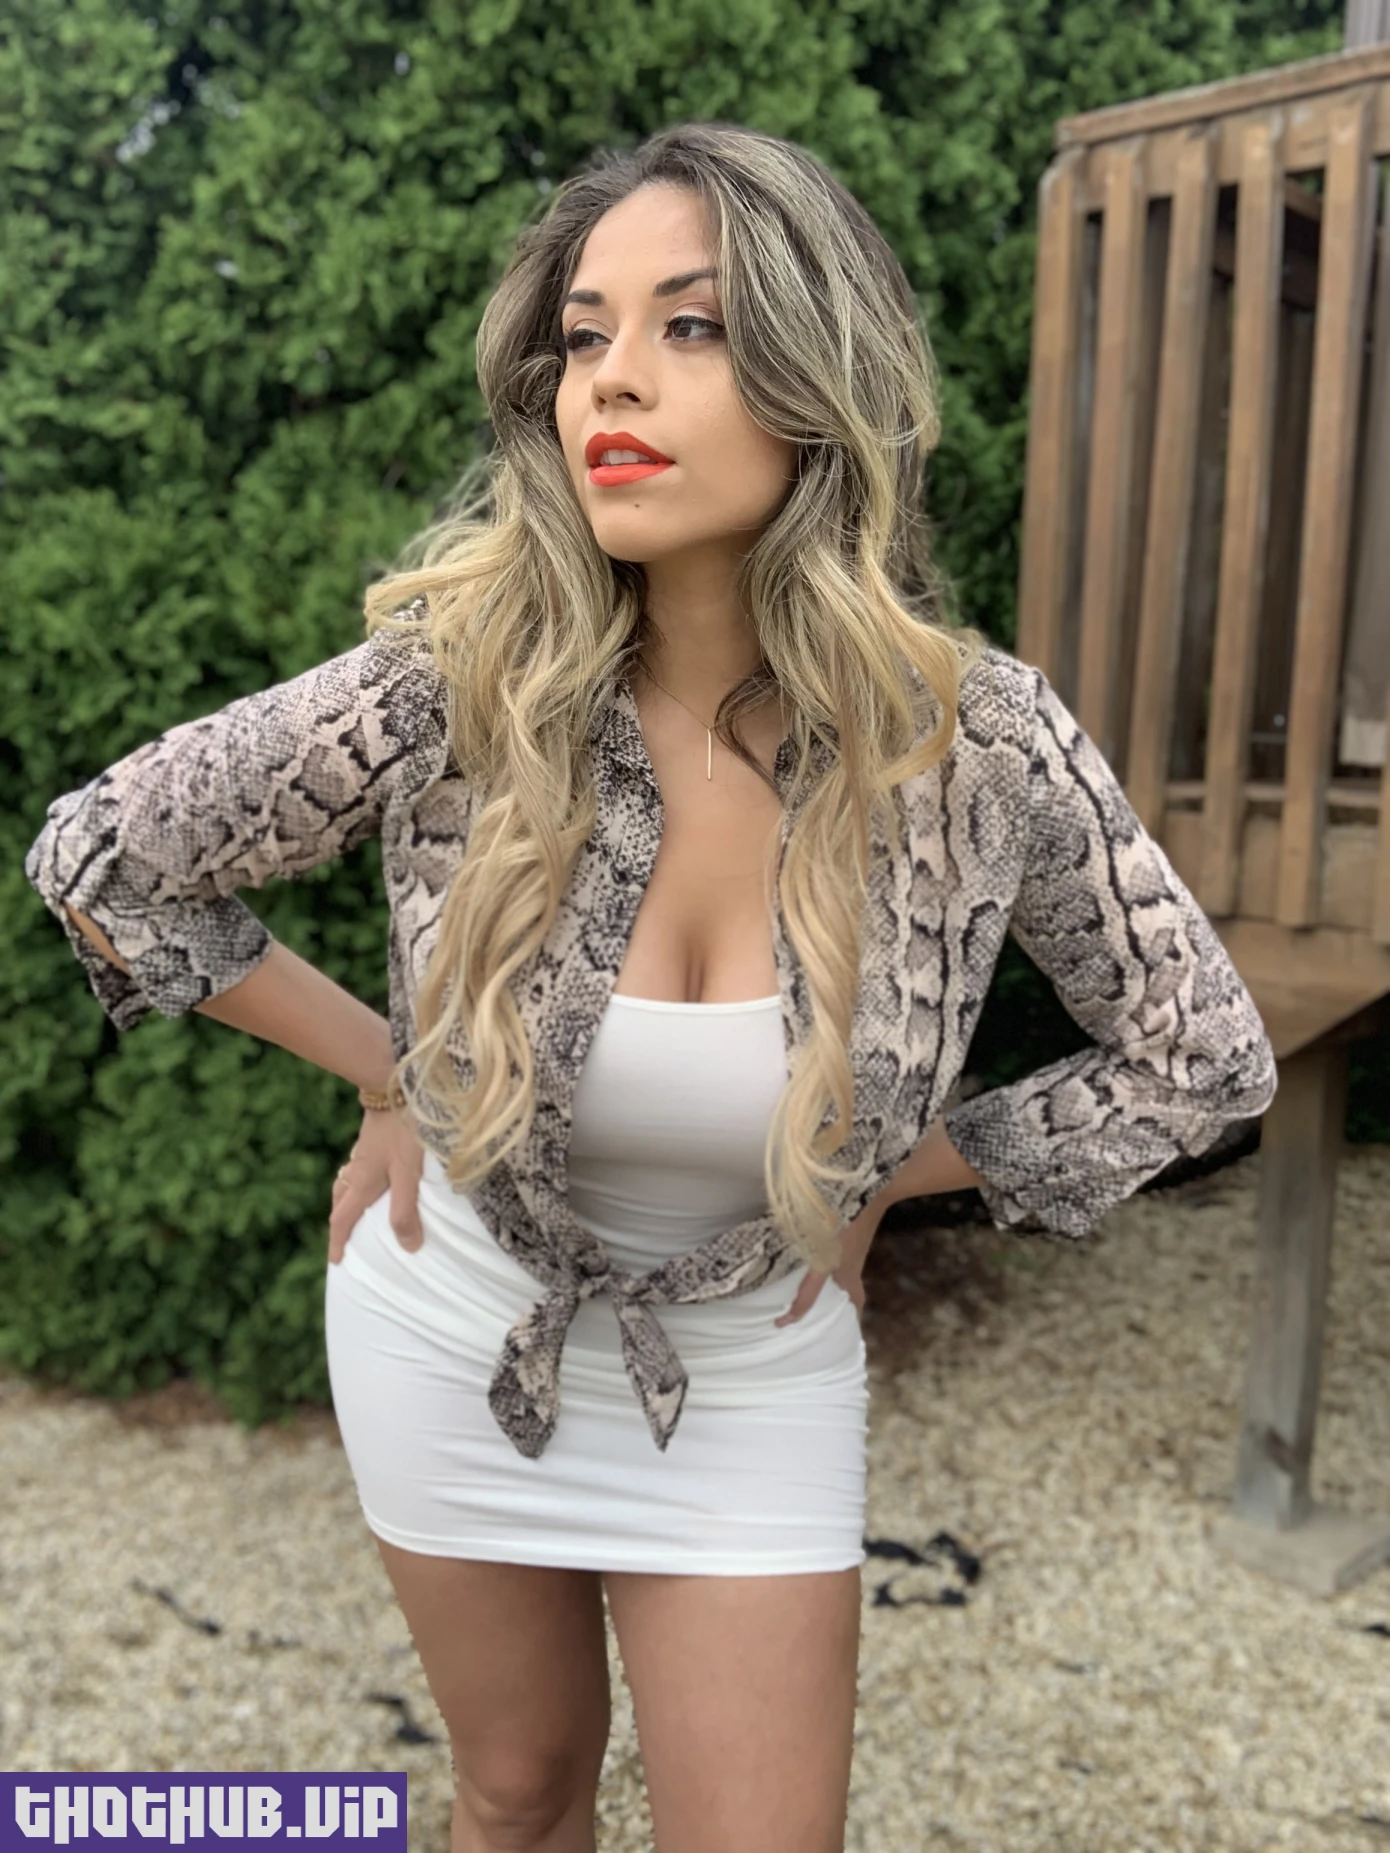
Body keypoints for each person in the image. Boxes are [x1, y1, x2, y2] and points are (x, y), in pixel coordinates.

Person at [26, 121, 1276, 1853]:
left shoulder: (972, 744)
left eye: (690, 326)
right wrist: (393, 1076)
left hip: (751, 1374)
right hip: (449, 1322)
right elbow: (102, 856)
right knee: (514, 1793)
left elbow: (1197, 1056)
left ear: (818, 373)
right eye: (583, 335)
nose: (610, 380)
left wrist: (884, 1181)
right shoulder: (457, 686)